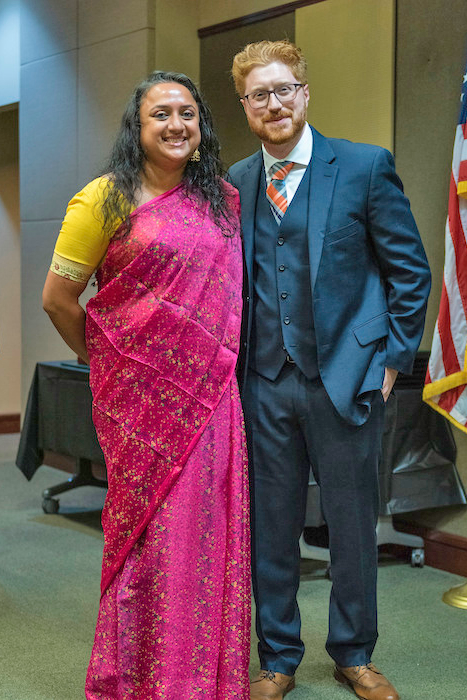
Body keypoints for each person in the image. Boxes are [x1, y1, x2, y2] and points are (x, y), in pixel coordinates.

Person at [228, 40, 431, 700]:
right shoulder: (235, 182)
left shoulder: (365, 167)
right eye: (259, 95)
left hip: (348, 381)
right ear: (245, 107)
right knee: (271, 530)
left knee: (350, 527)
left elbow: (409, 272)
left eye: (283, 89)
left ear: (305, 93)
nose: (273, 104)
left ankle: (353, 653)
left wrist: (392, 363)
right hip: (263, 384)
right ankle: (277, 657)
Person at [42, 71, 251, 700]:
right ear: (137, 127)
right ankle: (141, 678)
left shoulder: (220, 198)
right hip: (138, 403)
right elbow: (58, 299)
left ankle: (202, 679)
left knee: (207, 531)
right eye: (161, 114)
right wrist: (111, 362)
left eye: (187, 113)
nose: (176, 125)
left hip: (212, 398)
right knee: (149, 536)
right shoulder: (102, 200)